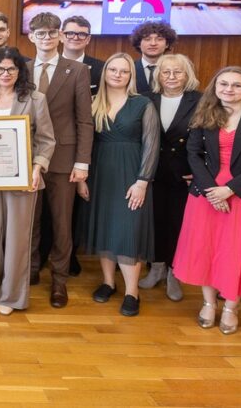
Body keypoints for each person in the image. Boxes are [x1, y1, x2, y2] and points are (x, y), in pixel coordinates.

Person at [173, 66, 241, 334]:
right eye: (223, 84)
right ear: (215, 87)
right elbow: (194, 154)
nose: (229, 89)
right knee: (207, 249)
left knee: (236, 252)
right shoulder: (205, 113)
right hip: (206, 193)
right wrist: (213, 190)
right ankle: (209, 303)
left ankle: (231, 307)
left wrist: (230, 190)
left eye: (236, 85)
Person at [0, 47, 56, 315]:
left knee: (18, 238)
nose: (5, 74)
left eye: (11, 69)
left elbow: (47, 139)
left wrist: (37, 168)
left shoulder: (35, 99)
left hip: (23, 178)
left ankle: (12, 297)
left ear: (20, 71)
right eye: (0, 69)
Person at [85, 52, 160, 317]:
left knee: (128, 231)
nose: (118, 74)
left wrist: (142, 181)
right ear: (104, 73)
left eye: (124, 71)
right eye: (113, 69)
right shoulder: (92, 102)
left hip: (131, 175)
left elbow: (152, 145)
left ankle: (132, 292)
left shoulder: (143, 105)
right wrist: (82, 179)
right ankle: (108, 282)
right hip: (100, 174)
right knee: (105, 228)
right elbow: (85, 144)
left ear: (131, 76)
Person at [26, 12, 93, 309]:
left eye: (52, 33)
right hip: (27, 157)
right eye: (41, 34)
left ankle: (59, 279)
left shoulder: (77, 70)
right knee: (29, 220)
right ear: (32, 37)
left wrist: (83, 162)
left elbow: (85, 121)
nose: (47, 38)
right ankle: (28, 271)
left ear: (61, 36)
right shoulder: (22, 69)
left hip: (65, 159)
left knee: (62, 222)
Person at [140, 54, 201, 302]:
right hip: (153, 171)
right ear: (158, 75)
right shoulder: (146, 99)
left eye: (178, 72)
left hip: (184, 173)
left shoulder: (201, 100)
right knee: (154, 221)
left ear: (187, 75)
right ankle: (156, 267)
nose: (172, 77)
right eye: (166, 72)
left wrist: (198, 172)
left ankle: (174, 273)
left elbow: (209, 138)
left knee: (178, 223)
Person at [58, 15, 102, 276]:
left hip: (85, 145)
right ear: (62, 35)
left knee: (73, 208)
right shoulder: (44, 64)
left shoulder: (99, 68)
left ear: (88, 38)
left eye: (81, 34)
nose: (76, 37)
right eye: (71, 33)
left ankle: (70, 254)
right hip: (52, 146)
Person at [130, 21, 177, 94]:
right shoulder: (130, 68)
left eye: (159, 39)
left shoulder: (177, 70)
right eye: (147, 39)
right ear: (139, 44)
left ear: (167, 44)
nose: (153, 43)